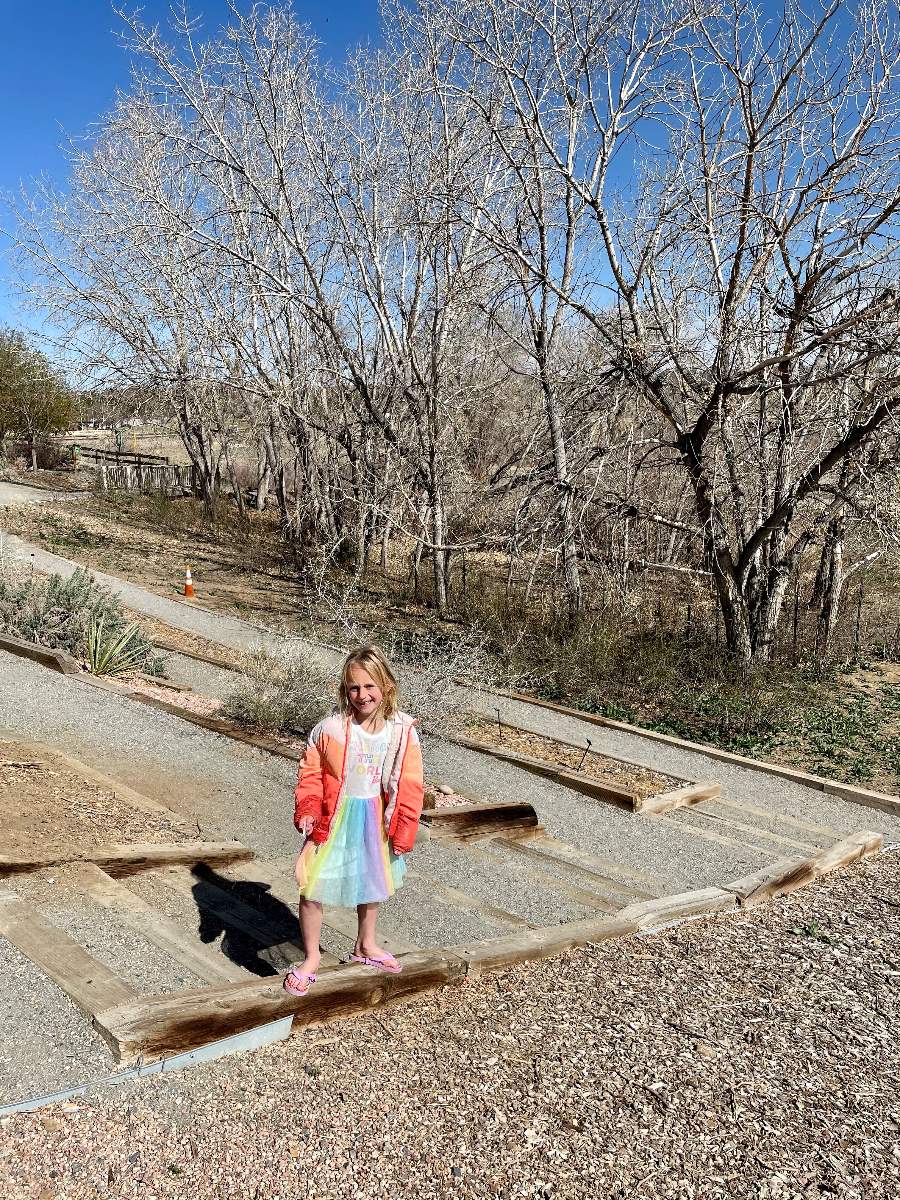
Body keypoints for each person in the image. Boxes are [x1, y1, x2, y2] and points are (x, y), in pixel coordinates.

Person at [284, 645, 424, 996]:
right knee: (312, 884)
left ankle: (366, 944)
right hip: (335, 816)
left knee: (373, 880)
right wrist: (308, 811)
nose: (362, 695)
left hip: (376, 817)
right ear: (345, 691)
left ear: (386, 686)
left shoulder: (402, 730)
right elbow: (311, 773)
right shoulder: (330, 729)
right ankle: (312, 957)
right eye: (354, 688)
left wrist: (404, 826)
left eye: (369, 686)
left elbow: (410, 782)